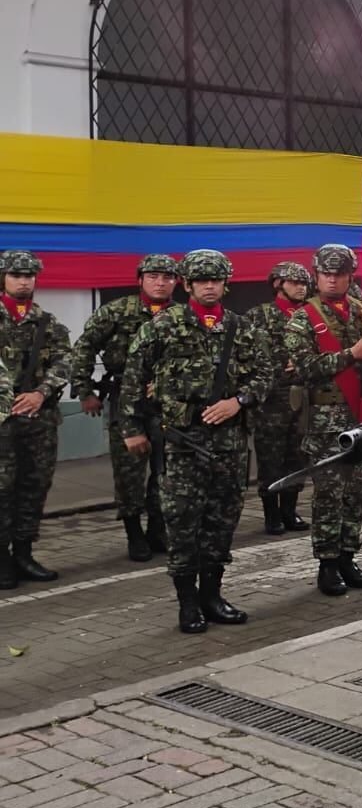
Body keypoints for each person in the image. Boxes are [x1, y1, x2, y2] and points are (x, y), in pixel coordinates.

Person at [119, 250, 271, 632]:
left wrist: (238, 402)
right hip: (182, 443)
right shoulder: (163, 326)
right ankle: (188, 603)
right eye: (201, 280)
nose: (208, 286)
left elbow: (265, 376)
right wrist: (132, 429)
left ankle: (212, 595)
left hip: (230, 445)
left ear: (225, 284)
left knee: (222, 522)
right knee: (183, 522)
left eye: (215, 280)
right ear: (186, 285)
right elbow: (133, 379)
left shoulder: (241, 328)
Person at [70, 253, 181, 561]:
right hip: (126, 399)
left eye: (167, 277)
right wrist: (84, 390)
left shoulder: (183, 315)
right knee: (129, 471)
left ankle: (157, 530)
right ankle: (134, 533)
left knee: (167, 470)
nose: (160, 282)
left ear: (176, 282)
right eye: (153, 276)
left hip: (169, 404)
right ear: (140, 280)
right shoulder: (118, 311)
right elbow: (84, 347)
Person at [287, 245, 362, 596]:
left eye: (339, 273)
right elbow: (303, 369)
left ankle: (347, 557)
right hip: (327, 423)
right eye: (326, 273)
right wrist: (349, 355)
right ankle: (327, 565)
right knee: (329, 495)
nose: (332, 278)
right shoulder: (302, 318)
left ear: (349, 276)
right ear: (316, 275)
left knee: (359, 492)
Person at [0, 250, 69, 587]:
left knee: (34, 487)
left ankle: (24, 553)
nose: (24, 281)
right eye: (16, 275)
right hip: (1, 423)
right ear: (4, 278)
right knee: (2, 490)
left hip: (39, 421)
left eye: (29, 275)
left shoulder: (49, 322)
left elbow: (63, 362)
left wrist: (41, 393)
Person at [243, 260, 312, 536]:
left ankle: (290, 511)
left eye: (304, 283)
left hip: (304, 397)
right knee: (271, 459)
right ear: (277, 284)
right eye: (294, 282)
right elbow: (246, 358)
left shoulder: (311, 314)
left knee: (298, 456)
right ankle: (272, 515)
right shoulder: (257, 316)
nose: (300, 287)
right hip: (271, 400)